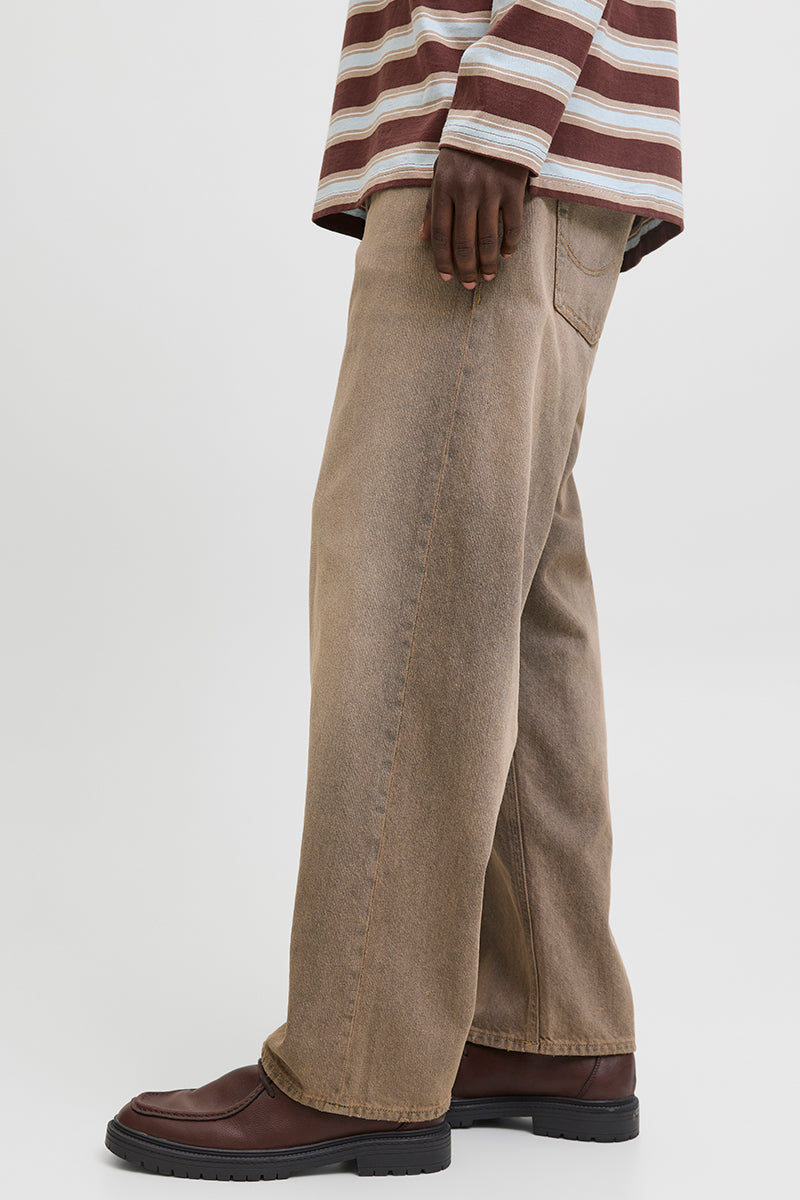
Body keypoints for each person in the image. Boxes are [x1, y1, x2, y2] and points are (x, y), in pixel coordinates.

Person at [105, 0, 683, 1181]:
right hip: (533, 158)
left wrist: (498, 114)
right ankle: (543, 1022)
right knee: (503, 607)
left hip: (489, 148)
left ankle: (358, 1063)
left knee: (402, 601)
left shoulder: (493, 126)